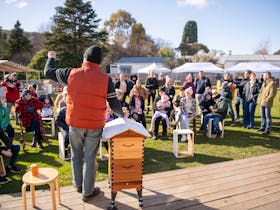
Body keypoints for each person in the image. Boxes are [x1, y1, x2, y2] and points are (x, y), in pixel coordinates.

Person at [44, 45, 125, 202]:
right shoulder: (105, 79)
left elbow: (48, 72)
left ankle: (78, 185)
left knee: (76, 155)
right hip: (95, 124)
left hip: (75, 122)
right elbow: (114, 102)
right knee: (90, 158)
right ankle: (88, 192)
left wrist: (51, 57)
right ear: (99, 63)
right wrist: (122, 116)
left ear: (84, 58)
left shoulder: (71, 73)